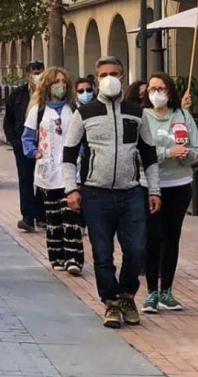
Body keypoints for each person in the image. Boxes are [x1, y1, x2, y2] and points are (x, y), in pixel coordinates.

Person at [62, 56, 161, 329]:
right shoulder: (84, 113)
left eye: (114, 73)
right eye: (104, 73)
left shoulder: (137, 113)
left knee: (137, 249)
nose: (110, 78)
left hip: (131, 192)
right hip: (96, 193)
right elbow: (69, 154)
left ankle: (128, 294)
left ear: (123, 75)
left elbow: (149, 154)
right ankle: (111, 303)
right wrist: (71, 188)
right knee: (102, 253)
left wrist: (154, 190)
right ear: (96, 78)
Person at [139, 72, 198, 313]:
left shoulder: (183, 116)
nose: (157, 93)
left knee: (171, 238)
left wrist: (187, 155)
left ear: (170, 91)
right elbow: (139, 153)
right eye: (152, 89)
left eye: (161, 88)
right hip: (150, 185)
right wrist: (166, 153)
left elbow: (195, 149)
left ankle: (167, 291)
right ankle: (151, 291)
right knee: (153, 237)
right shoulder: (143, 118)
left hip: (179, 184)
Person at [21, 67, 84, 275]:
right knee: (53, 217)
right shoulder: (37, 111)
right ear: (47, 85)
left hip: (70, 170)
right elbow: (27, 137)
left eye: (63, 81)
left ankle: (74, 258)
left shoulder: (74, 108)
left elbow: (82, 136)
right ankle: (57, 256)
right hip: (47, 171)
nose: (60, 85)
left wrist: (81, 153)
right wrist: (34, 153)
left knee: (71, 216)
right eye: (56, 81)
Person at [5, 60, 46, 232]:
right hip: (23, 145)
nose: (38, 75)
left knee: (43, 181)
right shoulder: (18, 94)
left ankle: (42, 216)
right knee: (26, 180)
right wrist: (14, 141)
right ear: (28, 74)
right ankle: (28, 217)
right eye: (35, 72)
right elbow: (9, 120)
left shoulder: (48, 94)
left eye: (41, 71)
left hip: (44, 145)